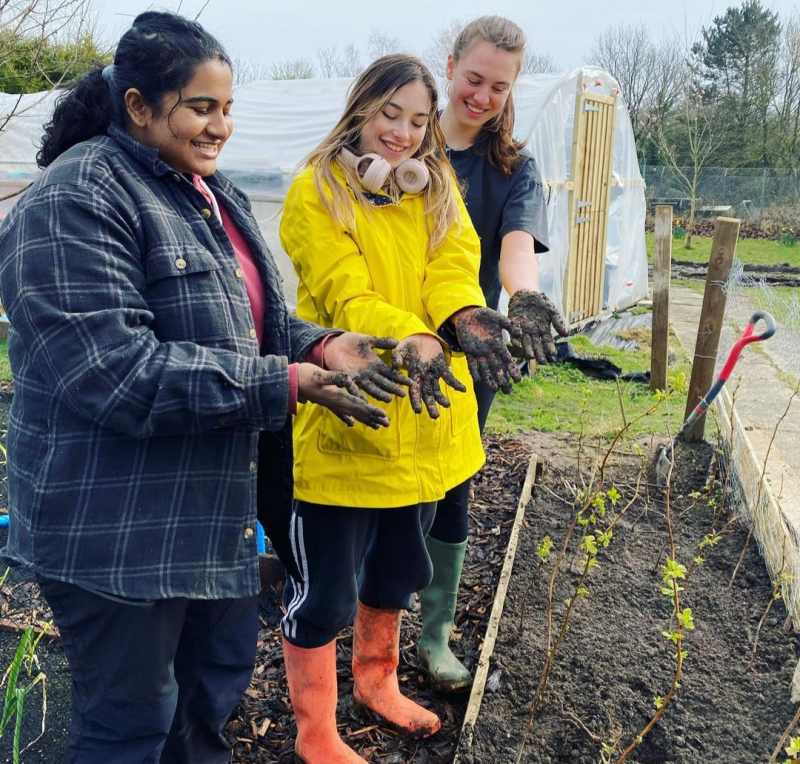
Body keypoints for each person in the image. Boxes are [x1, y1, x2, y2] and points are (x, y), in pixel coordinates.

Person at [0, 12, 411, 764]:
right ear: (137, 105)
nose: (220, 126)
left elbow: (249, 325)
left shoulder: (208, 194)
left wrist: (324, 345)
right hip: (113, 533)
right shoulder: (74, 201)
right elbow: (112, 371)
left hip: (206, 520)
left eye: (227, 108)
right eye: (201, 107)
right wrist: (286, 383)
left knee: (206, 702)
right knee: (128, 724)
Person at [278, 54, 522, 764]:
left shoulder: (434, 188)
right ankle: (315, 730)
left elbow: (450, 266)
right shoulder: (314, 192)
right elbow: (344, 293)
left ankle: (375, 682)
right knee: (323, 591)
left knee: (397, 569)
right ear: (362, 108)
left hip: (426, 418)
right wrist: (411, 335)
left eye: (419, 121)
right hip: (351, 411)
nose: (404, 135)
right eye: (391, 115)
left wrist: (466, 313)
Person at [417, 16, 570, 693]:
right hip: (390, 341)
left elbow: (513, 252)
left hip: (468, 350)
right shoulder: (403, 139)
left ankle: (433, 636)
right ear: (450, 65)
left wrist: (524, 300)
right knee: (380, 488)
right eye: (473, 79)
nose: (481, 96)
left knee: (452, 483)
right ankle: (363, 622)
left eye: (497, 87)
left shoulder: (513, 167)